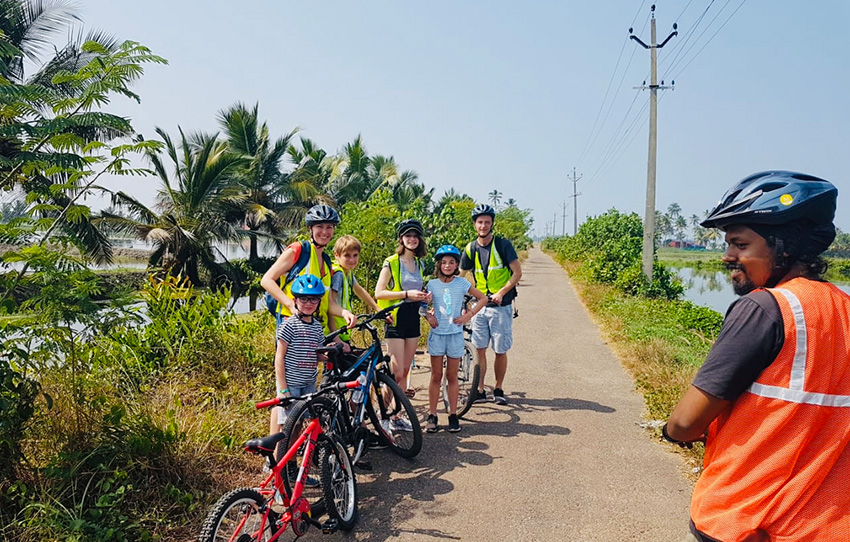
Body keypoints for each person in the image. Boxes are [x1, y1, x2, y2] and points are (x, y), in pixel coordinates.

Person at [663, 171, 849, 542]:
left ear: (784, 246)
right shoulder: (844, 308)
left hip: (745, 518)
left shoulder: (765, 308)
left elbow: (685, 422)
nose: (727, 256)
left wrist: (674, 431)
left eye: (740, 244)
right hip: (825, 526)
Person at [460, 203, 522, 405]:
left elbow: (517, 273)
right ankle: (479, 389)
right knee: (479, 350)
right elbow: (460, 276)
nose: (483, 226)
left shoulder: (503, 245)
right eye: (480, 222)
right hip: (480, 306)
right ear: (474, 225)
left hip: (500, 307)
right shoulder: (470, 248)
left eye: (487, 222)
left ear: (492, 224)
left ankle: (498, 388)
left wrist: (501, 292)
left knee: (500, 349)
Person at [421, 245, 488, 433]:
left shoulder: (462, 283)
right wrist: (428, 316)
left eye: (451, 262)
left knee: (452, 376)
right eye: (444, 262)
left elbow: (482, 298)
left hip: (455, 335)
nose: (447, 266)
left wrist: (469, 315)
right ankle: (432, 414)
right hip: (437, 335)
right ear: (439, 265)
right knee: (436, 376)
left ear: (457, 264)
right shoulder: (432, 284)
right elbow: (422, 305)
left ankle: (452, 414)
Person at [260, 204, 356, 335]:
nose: (324, 232)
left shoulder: (327, 263)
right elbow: (266, 280)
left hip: (316, 330)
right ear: (310, 228)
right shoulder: (299, 250)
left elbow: (327, 303)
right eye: (319, 226)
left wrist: (344, 313)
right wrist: (291, 306)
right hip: (292, 326)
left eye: (329, 227)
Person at [375, 218, 432, 422]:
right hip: (396, 319)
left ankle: (397, 415)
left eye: (415, 235)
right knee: (395, 372)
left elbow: (420, 290)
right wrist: (406, 294)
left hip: (413, 319)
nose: (412, 239)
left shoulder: (419, 263)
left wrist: (425, 296)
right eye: (408, 235)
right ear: (401, 238)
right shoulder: (391, 262)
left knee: (406, 371)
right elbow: (379, 292)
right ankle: (383, 414)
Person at [270, 274, 327, 435]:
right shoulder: (289, 325)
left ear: (319, 302)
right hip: (291, 385)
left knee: (299, 424)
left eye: (313, 299)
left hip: (308, 383)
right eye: (303, 299)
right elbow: (279, 357)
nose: (308, 303)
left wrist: (327, 354)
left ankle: (293, 461)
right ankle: (276, 459)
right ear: (295, 300)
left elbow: (316, 354)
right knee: (286, 428)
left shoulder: (317, 327)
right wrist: (283, 389)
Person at [328, 235, 382, 346]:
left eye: (355, 255)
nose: (352, 260)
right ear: (336, 255)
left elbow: (359, 290)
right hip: (335, 333)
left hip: (342, 331)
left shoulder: (347, 272)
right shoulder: (338, 274)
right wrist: (336, 339)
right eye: (347, 255)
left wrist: (377, 308)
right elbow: (329, 307)